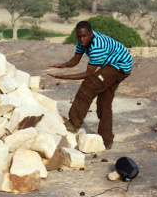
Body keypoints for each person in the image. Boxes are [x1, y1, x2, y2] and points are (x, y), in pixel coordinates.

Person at [48, 21, 132, 149]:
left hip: (120, 66)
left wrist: (64, 77)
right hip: (110, 65)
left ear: (91, 34)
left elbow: (88, 74)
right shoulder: (83, 40)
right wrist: (64, 65)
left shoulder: (97, 47)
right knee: (104, 103)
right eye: (79, 37)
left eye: (84, 36)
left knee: (88, 86)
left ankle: (73, 123)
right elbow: (75, 59)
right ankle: (106, 140)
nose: (82, 39)